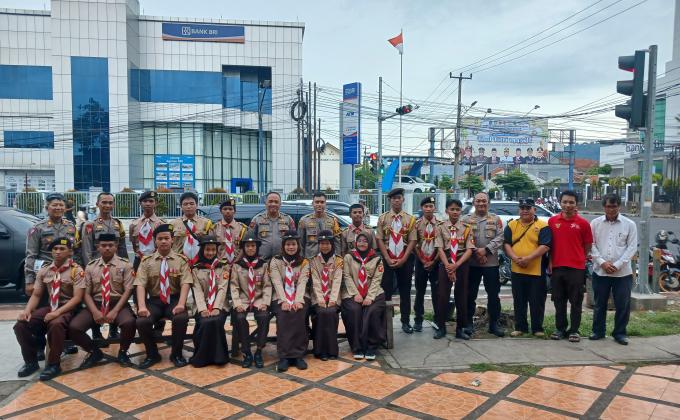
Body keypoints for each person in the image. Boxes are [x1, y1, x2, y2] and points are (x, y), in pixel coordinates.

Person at [14, 237, 85, 381]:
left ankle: (53, 364)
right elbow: (36, 294)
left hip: (68, 308)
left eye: (62, 249)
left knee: (56, 324)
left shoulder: (76, 270)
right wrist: (27, 311)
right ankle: (31, 362)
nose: (58, 252)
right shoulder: (45, 270)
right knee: (21, 325)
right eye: (55, 249)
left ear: (70, 252)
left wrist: (57, 313)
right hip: (50, 307)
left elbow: (77, 298)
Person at [68, 233, 136, 367]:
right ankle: (94, 352)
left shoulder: (126, 265)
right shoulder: (90, 266)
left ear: (116, 246)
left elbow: (128, 291)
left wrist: (115, 311)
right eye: (103, 245)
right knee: (74, 328)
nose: (107, 248)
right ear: (98, 247)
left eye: (111, 245)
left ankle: (123, 352)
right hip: (96, 304)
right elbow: (86, 293)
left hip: (118, 304)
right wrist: (94, 311)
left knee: (129, 323)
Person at [134, 224, 193, 368]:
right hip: (154, 301)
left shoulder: (181, 260)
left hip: (174, 300)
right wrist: (142, 306)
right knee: (142, 321)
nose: (163, 241)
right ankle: (152, 354)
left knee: (181, 318)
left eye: (166, 238)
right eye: (160, 239)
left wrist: (181, 304)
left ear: (172, 240)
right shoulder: (146, 261)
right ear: (155, 241)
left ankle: (176, 354)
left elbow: (186, 283)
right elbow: (140, 284)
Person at [589, 193, 637, 345]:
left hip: (622, 273)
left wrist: (617, 265)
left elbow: (632, 248)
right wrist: (602, 262)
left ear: (619, 206)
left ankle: (620, 333)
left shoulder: (629, 224)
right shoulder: (595, 223)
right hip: (600, 271)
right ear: (604, 207)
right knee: (599, 303)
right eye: (608, 206)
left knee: (623, 305)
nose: (611, 209)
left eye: (614, 206)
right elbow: (591, 245)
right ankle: (598, 331)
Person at [548, 190, 593, 342]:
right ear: (560, 203)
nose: (568, 205)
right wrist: (551, 262)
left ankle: (574, 330)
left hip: (576, 269)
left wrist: (578, 258)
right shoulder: (552, 221)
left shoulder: (583, 224)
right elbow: (550, 245)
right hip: (557, 267)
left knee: (576, 301)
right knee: (559, 300)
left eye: (571, 202)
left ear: (576, 204)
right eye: (565, 202)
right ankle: (560, 328)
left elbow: (587, 246)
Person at [503, 199, 551, 338]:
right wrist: (515, 258)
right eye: (522, 208)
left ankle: (537, 328)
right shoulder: (512, 225)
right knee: (519, 300)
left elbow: (545, 246)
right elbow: (506, 244)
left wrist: (528, 258)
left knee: (537, 301)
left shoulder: (543, 226)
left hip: (536, 271)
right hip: (517, 270)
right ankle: (520, 327)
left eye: (528, 208)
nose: (525, 210)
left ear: (534, 209)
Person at [462, 192, 506, 337]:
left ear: (489, 203)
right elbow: (462, 238)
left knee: (493, 295)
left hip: (491, 263)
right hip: (472, 263)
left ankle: (493, 324)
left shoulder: (496, 219)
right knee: (470, 294)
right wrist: (476, 253)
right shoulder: (465, 219)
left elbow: (500, 237)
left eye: (484, 201)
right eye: (478, 201)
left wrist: (485, 250)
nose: (481, 203)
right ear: (473, 203)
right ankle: (468, 323)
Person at [376, 188, 417, 334]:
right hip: (388, 257)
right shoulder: (383, 218)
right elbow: (379, 239)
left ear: (403, 199)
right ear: (390, 200)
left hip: (405, 258)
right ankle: (384, 322)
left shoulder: (410, 219)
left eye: (399, 198)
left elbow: (412, 240)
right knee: (385, 290)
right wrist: (387, 258)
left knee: (405, 291)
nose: (396, 200)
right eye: (394, 198)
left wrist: (404, 259)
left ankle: (405, 322)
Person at [269, 231, 310, 372]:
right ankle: (284, 356)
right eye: (288, 244)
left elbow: (302, 282)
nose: (291, 247)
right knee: (284, 314)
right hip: (280, 296)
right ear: (283, 246)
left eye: (293, 244)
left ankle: (298, 355)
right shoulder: (275, 261)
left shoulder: (304, 262)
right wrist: (284, 300)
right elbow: (276, 282)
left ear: (298, 246)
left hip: (300, 295)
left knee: (298, 312)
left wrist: (298, 300)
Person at [341, 232, 386, 360]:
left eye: (365, 241)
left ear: (370, 243)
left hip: (374, 292)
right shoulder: (349, 257)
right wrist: (356, 293)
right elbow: (347, 276)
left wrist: (370, 297)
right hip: (352, 292)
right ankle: (357, 347)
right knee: (354, 311)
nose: (362, 243)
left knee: (372, 311)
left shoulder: (377, 259)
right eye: (359, 241)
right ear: (355, 242)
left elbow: (377, 279)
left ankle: (371, 346)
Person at [230, 232, 271, 368]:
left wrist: (265, 302)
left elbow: (267, 286)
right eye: (247, 246)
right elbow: (234, 286)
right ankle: (246, 351)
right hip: (243, 299)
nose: (250, 248)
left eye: (253, 246)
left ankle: (259, 350)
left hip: (259, 299)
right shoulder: (237, 265)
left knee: (264, 317)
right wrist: (237, 304)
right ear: (243, 248)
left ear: (257, 247)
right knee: (240, 318)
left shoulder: (263, 265)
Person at [434, 199, 474, 339]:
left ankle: (460, 328)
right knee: (442, 296)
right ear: (447, 211)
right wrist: (448, 266)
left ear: (461, 211)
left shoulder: (467, 227)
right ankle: (441, 327)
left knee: (461, 296)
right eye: (452, 209)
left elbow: (469, 249)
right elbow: (439, 248)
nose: (455, 212)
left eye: (458, 209)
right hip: (445, 262)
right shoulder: (440, 227)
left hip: (461, 263)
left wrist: (456, 265)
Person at [25, 193, 77, 296]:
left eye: (61, 205)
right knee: (42, 303)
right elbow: (31, 255)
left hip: (67, 274)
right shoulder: (38, 228)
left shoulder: (71, 227)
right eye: (54, 205)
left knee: (67, 303)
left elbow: (75, 251)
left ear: (65, 208)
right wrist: (29, 281)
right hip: (45, 274)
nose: (58, 208)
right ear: (47, 208)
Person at [190, 236, 230, 366]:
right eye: (207, 249)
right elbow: (197, 290)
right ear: (202, 250)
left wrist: (216, 307)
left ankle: (219, 357)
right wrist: (203, 309)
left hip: (220, 304)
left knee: (216, 320)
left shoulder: (223, 266)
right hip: (202, 305)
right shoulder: (196, 268)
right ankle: (201, 357)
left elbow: (223, 288)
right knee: (204, 321)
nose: (210, 252)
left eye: (213, 250)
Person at [309, 230, 343, 360]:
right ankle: (320, 350)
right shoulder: (313, 261)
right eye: (322, 243)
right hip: (318, 297)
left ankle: (332, 350)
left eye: (327, 243)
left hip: (334, 297)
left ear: (332, 244)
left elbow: (337, 281)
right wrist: (320, 299)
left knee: (331, 313)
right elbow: (316, 282)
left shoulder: (338, 260)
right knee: (321, 312)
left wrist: (333, 300)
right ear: (319, 245)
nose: (325, 246)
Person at [413, 196, 440, 332]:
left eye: (431, 206)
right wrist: (423, 260)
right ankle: (418, 319)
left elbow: (442, 244)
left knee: (437, 292)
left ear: (434, 208)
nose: (428, 209)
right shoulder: (416, 224)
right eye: (426, 206)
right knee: (420, 292)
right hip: (421, 262)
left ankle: (437, 319)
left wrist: (433, 261)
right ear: (422, 208)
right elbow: (414, 244)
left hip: (436, 262)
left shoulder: (440, 224)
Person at [80, 192, 128, 266]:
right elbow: (86, 251)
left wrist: (125, 265)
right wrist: (90, 268)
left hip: (116, 266)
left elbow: (122, 248)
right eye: (104, 202)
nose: (107, 205)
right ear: (97, 204)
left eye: (110, 203)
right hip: (97, 266)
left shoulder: (118, 224)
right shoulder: (90, 225)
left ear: (114, 205)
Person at [249, 191, 296, 260]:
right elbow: (249, 240)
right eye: (270, 201)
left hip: (282, 261)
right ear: (266, 203)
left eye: (276, 202)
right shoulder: (256, 219)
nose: (273, 204)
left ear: (280, 204)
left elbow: (295, 240)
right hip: (262, 261)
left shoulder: (288, 219)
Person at [170, 192, 214, 265]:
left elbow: (211, 245)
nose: (188, 206)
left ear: (197, 205)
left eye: (191, 204)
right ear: (181, 206)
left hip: (200, 263)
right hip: (178, 262)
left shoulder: (206, 223)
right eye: (185, 204)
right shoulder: (173, 224)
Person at [129, 191, 165, 272]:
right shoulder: (134, 224)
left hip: (157, 260)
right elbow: (134, 245)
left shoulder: (162, 224)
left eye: (151, 201)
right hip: (139, 261)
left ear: (156, 203)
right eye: (145, 201)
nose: (148, 204)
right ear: (140, 203)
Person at [299, 192, 342, 258]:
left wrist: (337, 257)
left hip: (328, 259)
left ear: (325, 204)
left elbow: (337, 242)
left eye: (322, 202)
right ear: (312, 203)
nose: (319, 204)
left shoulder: (333, 220)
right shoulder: (304, 220)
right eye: (317, 202)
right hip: (310, 258)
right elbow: (300, 242)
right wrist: (301, 259)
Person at [214, 197, 247, 264]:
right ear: (221, 211)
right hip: (220, 263)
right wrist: (219, 261)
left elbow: (244, 247)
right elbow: (212, 246)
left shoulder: (242, 228)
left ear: (234, 211)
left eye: (230, 209)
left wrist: (236, 261)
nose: (228, 211)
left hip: (237, 263)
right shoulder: (215, 228)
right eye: (225, 209)